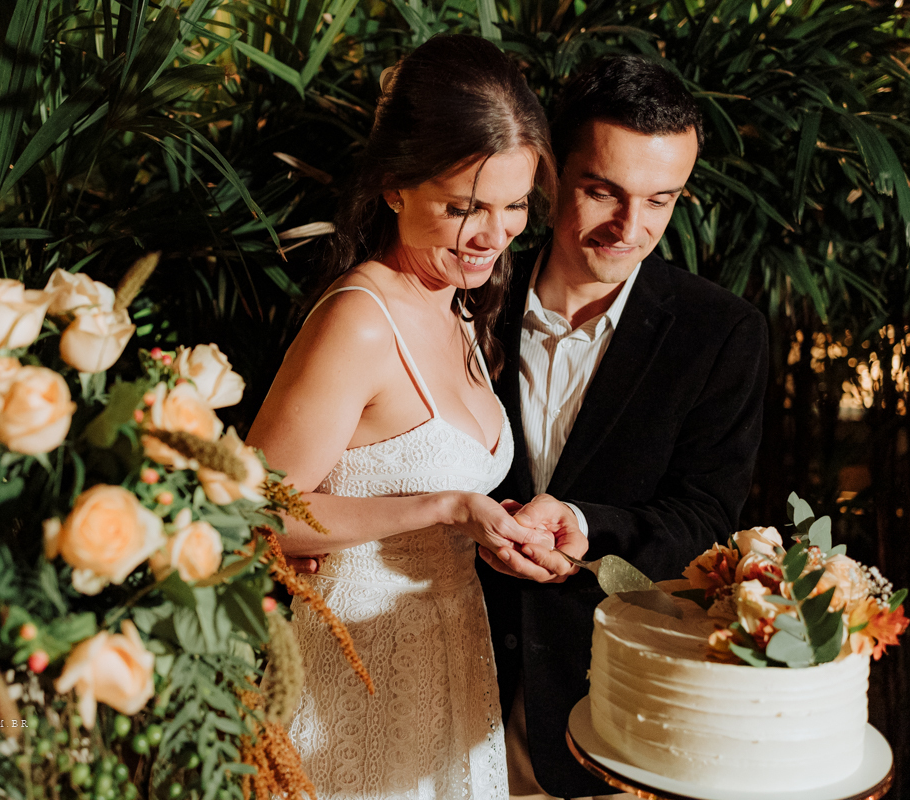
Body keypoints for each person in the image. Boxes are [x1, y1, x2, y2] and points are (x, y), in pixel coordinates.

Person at [246, 35, 558, 799]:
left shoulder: (458, 306)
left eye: (514, 204)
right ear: (393, 186)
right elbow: (250, 508)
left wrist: (497, 522)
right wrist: (447, 505)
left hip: (451, 664)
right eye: (464, 208)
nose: (495, 234)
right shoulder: (360, 320)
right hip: (352, 677)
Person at [474, 56, 770, 800]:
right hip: (448, 670)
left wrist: (580, 522)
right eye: (602, 191)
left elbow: (704, 518)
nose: (629, 229)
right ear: (550, 176)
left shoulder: (722, 334)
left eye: (661, 200)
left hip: (608, 706)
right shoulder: (462, 298)